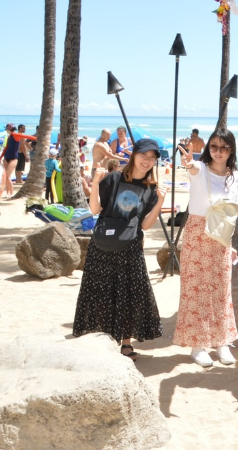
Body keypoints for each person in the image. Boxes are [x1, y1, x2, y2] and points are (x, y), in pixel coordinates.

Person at [72, 138, 165, 358]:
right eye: (144, 155)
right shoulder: (114, 179)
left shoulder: (150, 189)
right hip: (103, 244)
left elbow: (144, 225)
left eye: (152, 158)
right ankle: (100, 339)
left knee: (129, 294)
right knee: (100, 291)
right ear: (134, 155)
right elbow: (95, 209)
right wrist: (95, 182)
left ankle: (126, 342)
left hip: (130, 246)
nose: (147, 161)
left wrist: (160, 202)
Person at [173, 128, 238, 368]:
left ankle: (222, 342)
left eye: (224, 147)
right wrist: (189, 162)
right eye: (214, 147)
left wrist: (230, 243)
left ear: (231, 149)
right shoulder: (200, 169)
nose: (219, 152)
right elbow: (192, 167)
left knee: (221, 290)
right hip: (197, 231)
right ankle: (198, 346)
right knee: (195, 289)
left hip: (222, 234)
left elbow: (231, 212)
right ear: (208, 148)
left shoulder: (236, 176)